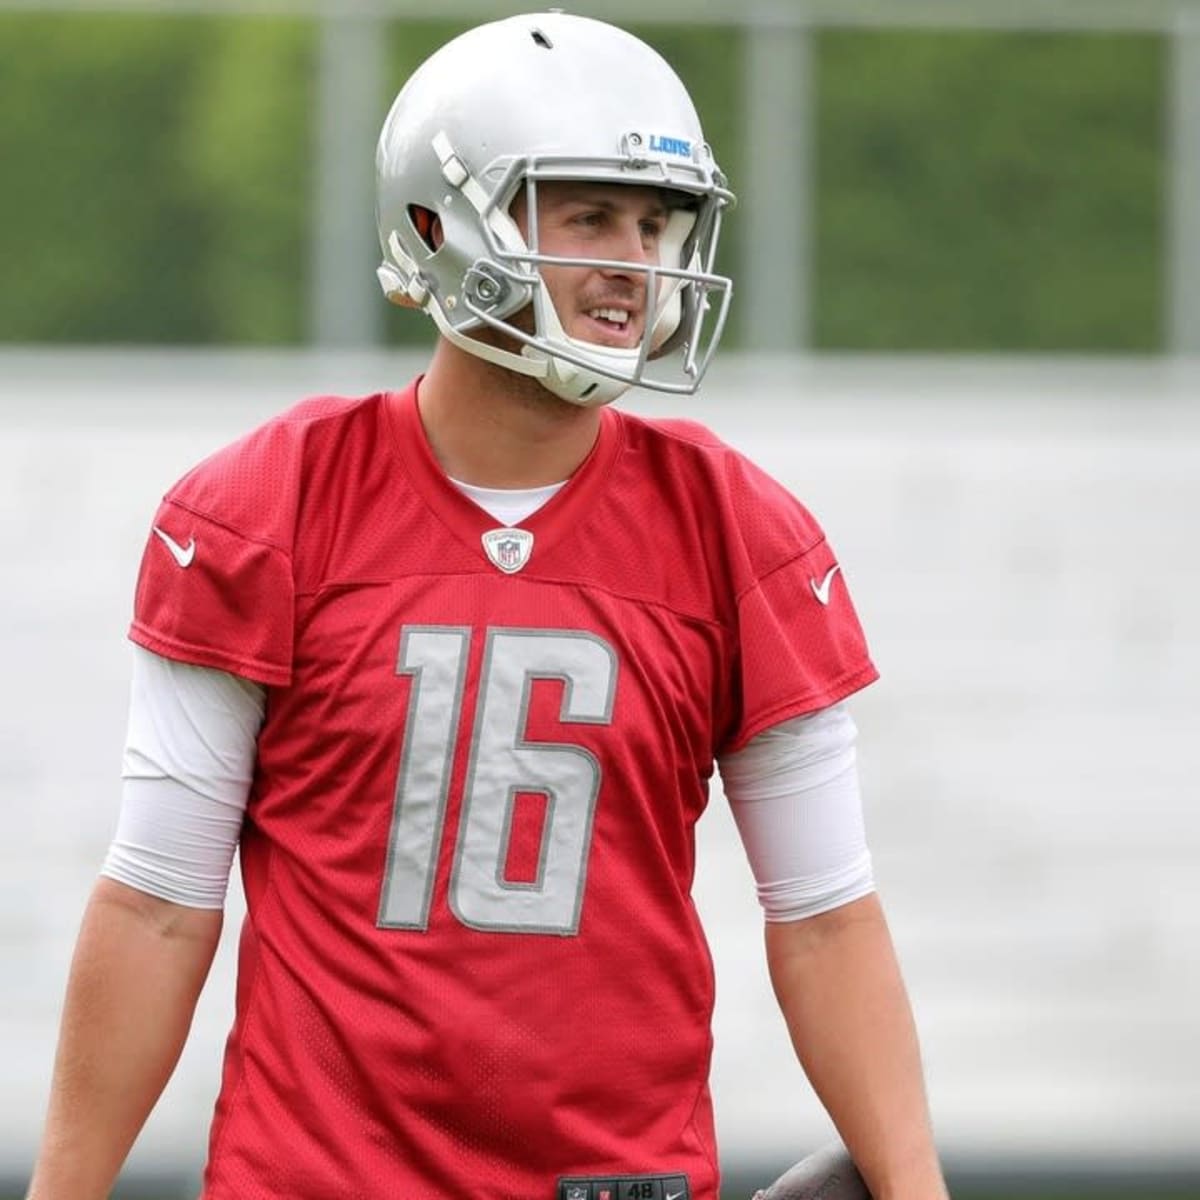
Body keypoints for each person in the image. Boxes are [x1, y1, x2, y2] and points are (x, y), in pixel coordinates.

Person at [27, 12, 949, 1200]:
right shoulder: (271, 507)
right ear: (441, 224)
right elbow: (157, 906)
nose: (638, 261)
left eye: (657, 222)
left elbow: (825, 917)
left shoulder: (735, 528)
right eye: (589, 216)